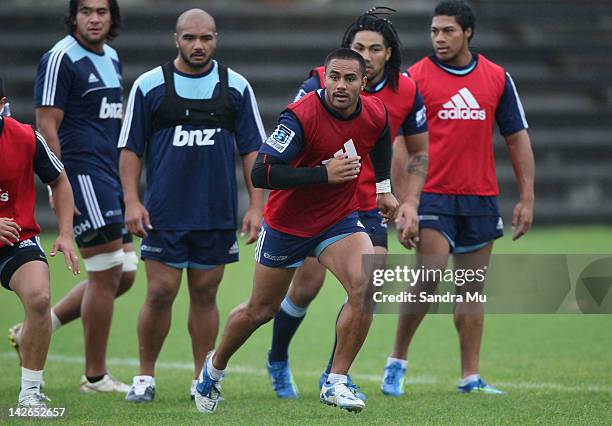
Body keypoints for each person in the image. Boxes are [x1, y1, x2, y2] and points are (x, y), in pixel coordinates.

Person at [195, 48, 397, 414]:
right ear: (325, 78)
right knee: (260, 310)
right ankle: (214, 368)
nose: (340, 85)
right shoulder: (300, 116)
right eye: (334, 77)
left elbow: (381, 135)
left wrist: (383, 187)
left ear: (363, 83)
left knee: (367, 285)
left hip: (338, 220)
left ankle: (335, 382)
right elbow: (262, 172)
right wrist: (323, 174)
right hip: (287, 227)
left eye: (350, 79)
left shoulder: (375, 110)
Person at [265, 7, 429, 400]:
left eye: (375, 49)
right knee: (305, 288)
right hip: (317, 205)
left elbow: (418, 152)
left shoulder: (406, 90)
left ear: (388, 54)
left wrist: (407, 200)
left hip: (367, 206)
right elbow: (284, 143)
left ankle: (333, 377)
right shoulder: (319, 84)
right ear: (347, 51)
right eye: (359, 48)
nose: (367, 55)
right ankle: (277, 357)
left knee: (366, 289)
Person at [382, 0, 535, 396]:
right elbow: (400, 143)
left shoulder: (497, 78)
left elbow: (516, 138)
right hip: (431, 194)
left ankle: (470, 376)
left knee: (470, 288)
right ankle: (396, 362)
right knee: (429, 275)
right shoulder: (415, 78)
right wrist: (403, 202)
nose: (439, 38)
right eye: (434, 31)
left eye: (448, 30)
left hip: (480, 198)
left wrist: (527, 197)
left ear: (468, 32)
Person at [117, 8, 265, 402]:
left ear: (216, 39)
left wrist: (256, 206)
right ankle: (144, 377)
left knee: (205, 293)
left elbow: (252, 150)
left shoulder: (235, 87)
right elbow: (130, 149)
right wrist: (131, 201)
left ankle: (203, 377)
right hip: (164, 212)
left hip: (216, 213)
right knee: (160, 292)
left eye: (206, 38)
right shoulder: (150, 86)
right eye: (189, 38)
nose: (198, 45)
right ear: (176, 39)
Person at [15, 0, 137, 393]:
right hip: (81, 174)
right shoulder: (59, 58)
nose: (95, 18)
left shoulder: (113, 57)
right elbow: (46, 126)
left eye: (102, 11)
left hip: (110, 173)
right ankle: (95, 376)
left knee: (126, 274)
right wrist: (58, 184)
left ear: (112, 17)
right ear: (74, 16)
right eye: (86, 11)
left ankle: (37, 328)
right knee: (107, 274)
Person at [0, 78, 80, 409]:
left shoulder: (24, 137)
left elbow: (59, 182)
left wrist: (64, 232)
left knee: (40, 298)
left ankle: (30, 393)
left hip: (17, 239)